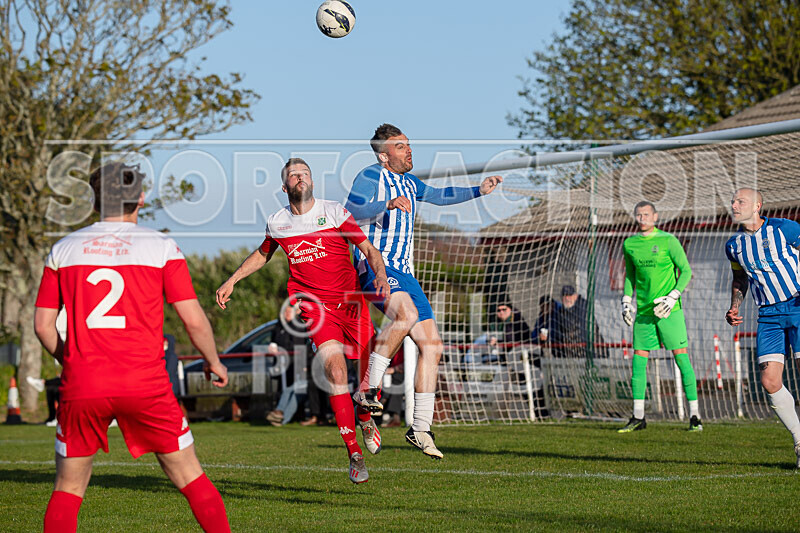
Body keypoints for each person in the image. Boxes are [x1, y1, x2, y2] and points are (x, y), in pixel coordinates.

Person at [34, 162, 231, 533]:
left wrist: (73, 362)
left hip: (84, 383)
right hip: (146, 383)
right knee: (191, 478)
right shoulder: (160, 247)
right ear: (140, 197)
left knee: (68, 489)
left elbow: (42, 326)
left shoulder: (63, 249)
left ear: (95, 201)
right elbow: (192, 319)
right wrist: (214, 362)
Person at [215, 158, 391, 484]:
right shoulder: (278, 222)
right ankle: (353, 452)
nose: (300, 177)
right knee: (335, 370)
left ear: (313, 182)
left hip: (351, 302)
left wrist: (379, 274)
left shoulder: (334, 211)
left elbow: (368, 249)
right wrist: (232, 279)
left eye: (305, 173)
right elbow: (263, 253)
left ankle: (366, 416)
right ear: (285, 187)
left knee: (370, 374)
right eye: (294, 175)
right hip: (315, 307)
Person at [345, 123, 502, 460]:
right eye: (400, 147)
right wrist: (385, 204)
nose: (409, 150)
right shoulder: (371, 176)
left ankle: (420, 428)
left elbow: (440, 195)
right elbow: (351, 213)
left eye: (408, 144)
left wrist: (479, 190)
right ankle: (367, 390)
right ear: (385, 156)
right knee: (407, 316)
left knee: (433, 345)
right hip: (377, 265)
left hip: (407, 273)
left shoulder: (410, 183)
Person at [725, 188, 800, 467]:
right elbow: (739, 279)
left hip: (797, 306)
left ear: (757, 205)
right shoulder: (734, 245)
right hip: (767, 315)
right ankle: (799, 440)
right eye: (733, 201)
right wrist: (735, 305)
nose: (734, 205)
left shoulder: (785, 229)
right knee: (769, 381)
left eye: (740, 201)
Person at [618, 200, 702, 433]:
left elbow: (686, 271)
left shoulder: (668, 240)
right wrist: (626, 301)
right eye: (638, 215)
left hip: (669, 311)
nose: (642, 218)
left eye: (646, 214)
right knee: (638, 361)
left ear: (655, 217)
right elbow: (629, 275)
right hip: (644, 312)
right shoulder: (630, 244)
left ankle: (695, 416)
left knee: (681, 359)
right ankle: (638, 417)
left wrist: (673, 296)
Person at [266, 304, 312, 426]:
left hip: (302, 365)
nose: (286, 314)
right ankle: (280, 414)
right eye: (285, 311)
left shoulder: (299, 327)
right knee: (289, 390)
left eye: (289, 311)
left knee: (297, 391)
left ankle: (282, 418)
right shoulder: (280, 325)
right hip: (288, 365)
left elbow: (301, 348)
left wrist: (304, 365)